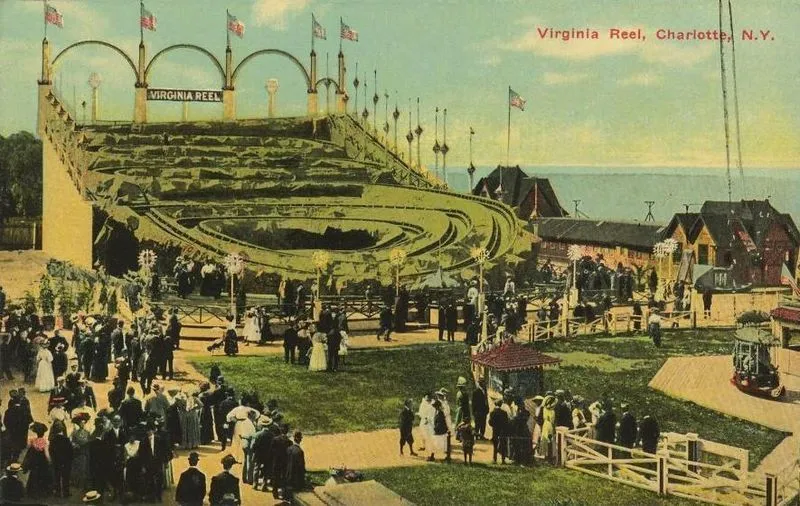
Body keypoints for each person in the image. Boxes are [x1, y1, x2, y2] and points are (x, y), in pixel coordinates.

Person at [23, 422, 52, 499]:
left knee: (34, 475)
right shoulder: (45, 442)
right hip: (42, 462)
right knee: (42, 476)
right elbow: (46, 454)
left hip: (34, 461)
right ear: (43, 433)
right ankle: (42, 492)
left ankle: (32, 492)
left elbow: (28, 448)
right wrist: (49, 461)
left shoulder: (33, 441)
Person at [50, 422, 74, 498]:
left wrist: (53, 459)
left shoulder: (53, 440)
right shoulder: (66, 440)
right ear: (62, 430)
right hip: (66, 462)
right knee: (66, 477)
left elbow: (51, 451)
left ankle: (58, 492)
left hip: (57, 461)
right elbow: (71, 451)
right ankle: (66, 492)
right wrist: (70, 460)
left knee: (57, 477)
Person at [271, 425, 292, 500]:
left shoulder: (275, 439)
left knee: (275, 477)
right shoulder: (289, 442)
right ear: (287, 431)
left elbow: (271, 451)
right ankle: (284, 494)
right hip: (285, 462)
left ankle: (275, 493)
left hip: (276, 461)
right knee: (284, 478)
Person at [286, 431, 306, 501]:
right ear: (300, 439)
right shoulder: (300, 451)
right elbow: (301, 466)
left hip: (288, 475)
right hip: (296, 477)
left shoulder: (289, 449)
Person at [489, 399, 509, 464]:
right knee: (503, 445)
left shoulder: (492, 412)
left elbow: (490, 422)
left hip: (495, 430)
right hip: (502, 430)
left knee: (495, 445)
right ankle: (503, 460)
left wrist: (494, 425)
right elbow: (506, 422)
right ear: (501, 404)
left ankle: (494, 459)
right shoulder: (504, 413)